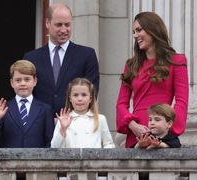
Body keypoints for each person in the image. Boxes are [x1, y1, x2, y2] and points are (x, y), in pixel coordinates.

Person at [116, 11, 189, 148]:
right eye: (134, 32)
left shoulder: (177, 61)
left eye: (139, 30)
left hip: (162, 136)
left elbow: (181, 102)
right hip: (137, 135)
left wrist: (169, 130)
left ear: (152, 29)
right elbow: (121, 104)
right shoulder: (131, 65)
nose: (135, 35)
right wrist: (132, 126)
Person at [23, 3, 99, 115]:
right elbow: (25, 95)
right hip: (40, 126)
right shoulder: (31, 58)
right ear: (47, 23)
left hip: (75, 125)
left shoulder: (87, 55)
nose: (64, 30)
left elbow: (92, 93)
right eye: (59, 25)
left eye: (67, 25)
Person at [0, 60, 54, 148]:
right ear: (12, 83)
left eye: (27, 79)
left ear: (35, 81)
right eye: (18, 80)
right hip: (9, 160)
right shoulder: (3, 108)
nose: (22, 83)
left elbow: (50, 142)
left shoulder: (45, 109)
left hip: (36, 161)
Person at [51, 78, 115, 148]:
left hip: (94, 159)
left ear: (90, 98)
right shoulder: (63, 120)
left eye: (84, 95)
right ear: (70, 98)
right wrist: (63, 130)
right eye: (75, 95)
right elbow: (54, 148)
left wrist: (102, 157)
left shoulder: (100, 119)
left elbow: (109, 144)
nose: (80, 99)